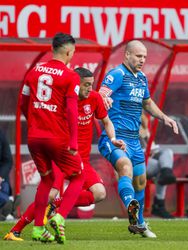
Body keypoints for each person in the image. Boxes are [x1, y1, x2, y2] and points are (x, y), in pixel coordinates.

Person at [4, 67, 125, 241]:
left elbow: (106, 121)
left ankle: (55, 206)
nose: (90, 89)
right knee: (50, 194)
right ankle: (15, 230)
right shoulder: (63, 100)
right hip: (61, 156)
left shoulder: (95, 97)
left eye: (91, 85)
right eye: (86, 85)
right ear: (76, 84)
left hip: (81, 158)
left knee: (99, 193)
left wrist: (113, 138)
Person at [98, 40, 179, 238]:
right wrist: (104, 99)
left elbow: (148, 103)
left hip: (134, 141)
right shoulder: (117, 74)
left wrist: (165, 117)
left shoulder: (141, 78)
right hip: (115, 138)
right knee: (125, 167)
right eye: (138, 56)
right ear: (127, 55)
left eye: (144, 56)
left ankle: (140, 224)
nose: (142, 60)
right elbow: (100, 95)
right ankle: (131, 208)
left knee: (140, 182)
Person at [19, 33, 86, 244]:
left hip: (34, 137)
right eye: (73, 53)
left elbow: (23, 103)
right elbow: (72, 110)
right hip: (56, 137)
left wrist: (34, 122)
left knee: (47, 180)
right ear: (68, 52)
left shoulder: (33, 71)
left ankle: (38, 228)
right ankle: (59, 217)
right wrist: (74, 141)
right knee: (78, 176)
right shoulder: (70, 76)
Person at [140, 113, 176, 219]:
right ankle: (159, 205)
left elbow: (153, 149)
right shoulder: (126, 128)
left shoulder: (145, 131)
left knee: (167, 153)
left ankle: (166, 171)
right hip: (136, 163)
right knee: (161, 169)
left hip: (149, 159)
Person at [0, 129, 14, 221]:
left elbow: (8, 160)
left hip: (1, 177)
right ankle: (7, 206)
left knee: (4, 186)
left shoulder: (1, 136)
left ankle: (6, 207)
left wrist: (0, 177)